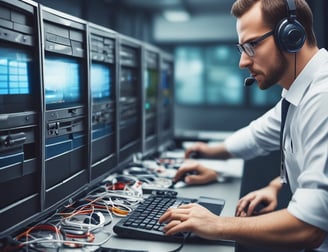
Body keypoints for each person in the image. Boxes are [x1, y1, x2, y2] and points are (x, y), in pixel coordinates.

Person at [159, 0, 328, 251]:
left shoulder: (322, 98)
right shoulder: (299, 93)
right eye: (241, 48)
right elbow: (257, 135)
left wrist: (216, 224)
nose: (243, 62)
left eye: (251, 45)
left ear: (291, 35)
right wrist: (207, 152)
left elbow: (309, 228)